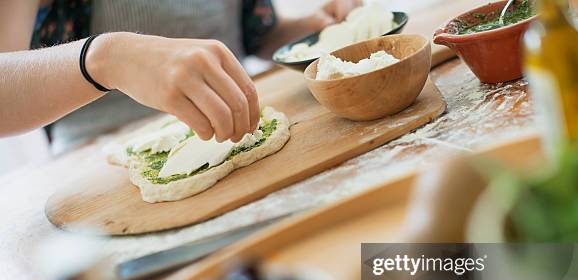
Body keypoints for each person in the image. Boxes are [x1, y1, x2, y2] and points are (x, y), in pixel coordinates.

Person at [0, 0, 361, 152]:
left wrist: (320, 30)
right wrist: (107, 58)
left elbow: (257, 34)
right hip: (102, 180)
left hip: (236, 137)